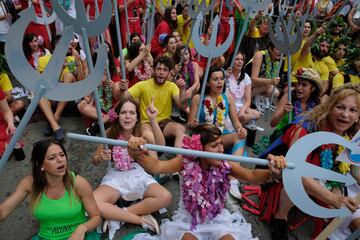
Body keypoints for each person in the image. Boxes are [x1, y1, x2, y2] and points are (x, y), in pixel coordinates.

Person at [127, 124, 286, 239]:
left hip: (217, 218)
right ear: (200, 149)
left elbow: (251, 175)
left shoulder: (225, 164)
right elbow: (156, 166)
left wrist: (271, 172)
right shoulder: (185, 162)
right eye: (214, 146)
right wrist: (137, 154)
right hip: (188, 221)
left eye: (221, 144)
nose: (222, 150)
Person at [259, 83, 360, 240]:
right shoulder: (308, 127)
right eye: (340, 107)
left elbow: (339, 174)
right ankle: (280, 217)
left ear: (358, 117)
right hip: (283, 180)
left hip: (317, 184)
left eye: (353, 110)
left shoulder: (346, 139)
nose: (345, 115)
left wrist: (339, 195)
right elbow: (294, 172)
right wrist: (332, 198)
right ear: (330, 107)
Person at [92, 97, 172, 239]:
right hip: (115, 176)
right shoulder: (111, 132)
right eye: (123, 112)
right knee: (94, 202)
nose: (128, 116)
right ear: (118, 116)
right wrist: (100, 157)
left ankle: (118, 214)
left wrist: (153, 120)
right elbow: (95, 159)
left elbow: (160, 146)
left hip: (138, 174)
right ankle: (141, 219)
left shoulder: (143, 132)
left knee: (165, 197)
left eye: (132, 113)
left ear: (137, 117)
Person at [0, 139, 101, 239]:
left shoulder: (79, 183)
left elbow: (96, 217)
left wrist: (82, 229)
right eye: (52, 158)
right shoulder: (29, 183)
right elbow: (3, 210)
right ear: (41, 165)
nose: (60, 160)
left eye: (62, 155)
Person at [121, 55, 187, 149]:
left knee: (181, 129)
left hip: (165, 123)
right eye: (159, 69)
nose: (161, 72)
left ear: (169, 72)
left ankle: (180, 158)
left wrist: (183, 90)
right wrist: (122, 90)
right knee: (149, 136)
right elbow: (123, 97)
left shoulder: (172, 86)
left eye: (165, 70)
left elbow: (183, 106)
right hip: (146, 123)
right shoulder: (142, 85)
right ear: (153, 70)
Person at [269, 68, 322, 141]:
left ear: (312, 89)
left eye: (304, 85)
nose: (299, 88)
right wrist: (284, 111)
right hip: (280, 139)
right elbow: (272, 124)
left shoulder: (316, 105)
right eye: (299, 83)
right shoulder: (288, 97)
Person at [226, 52, 261, 125]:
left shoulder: (246, 77)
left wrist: (242, 110)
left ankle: (236, 122)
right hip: (228, 107)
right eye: (237, 59)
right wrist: (225, 77)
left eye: (242, 59)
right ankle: (237, 123)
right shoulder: (226, 75)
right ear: (232, 61)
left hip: (241, 108)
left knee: (257, 114)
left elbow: (248, 100)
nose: (240, 61)